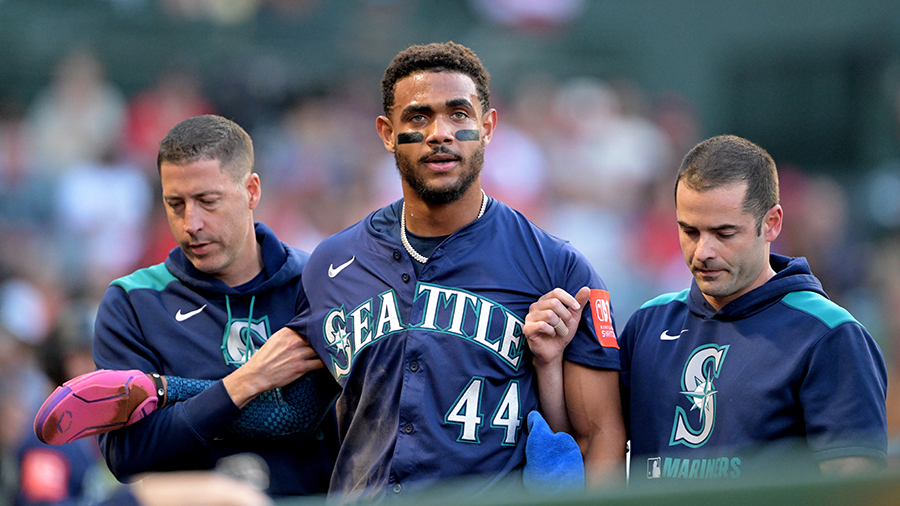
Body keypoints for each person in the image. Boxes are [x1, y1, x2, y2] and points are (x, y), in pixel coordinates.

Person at [277, 41, 624, 499]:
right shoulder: (331, 265)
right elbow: (301, 417)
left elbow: (601, 439)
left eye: (459, 114)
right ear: (386, 132)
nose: (440, 132)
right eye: (418, 117)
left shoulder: (557, 266)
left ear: (487, 126)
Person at [36, 115, 340, 498]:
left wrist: (168, 393)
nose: (190, 223)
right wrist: (247, 381)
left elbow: (302, 419)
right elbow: (127, 456)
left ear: (251, 191)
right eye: (175, 204)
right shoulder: (132, 301)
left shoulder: (319, 283)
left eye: (207, 201)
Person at [619, 134, 888, 484]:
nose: (703, 251)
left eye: (724, 233)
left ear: (772, 223)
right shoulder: (647, 324)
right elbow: (594, 437)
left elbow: (855, 490)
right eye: (689, 231)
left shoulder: (830, 335)